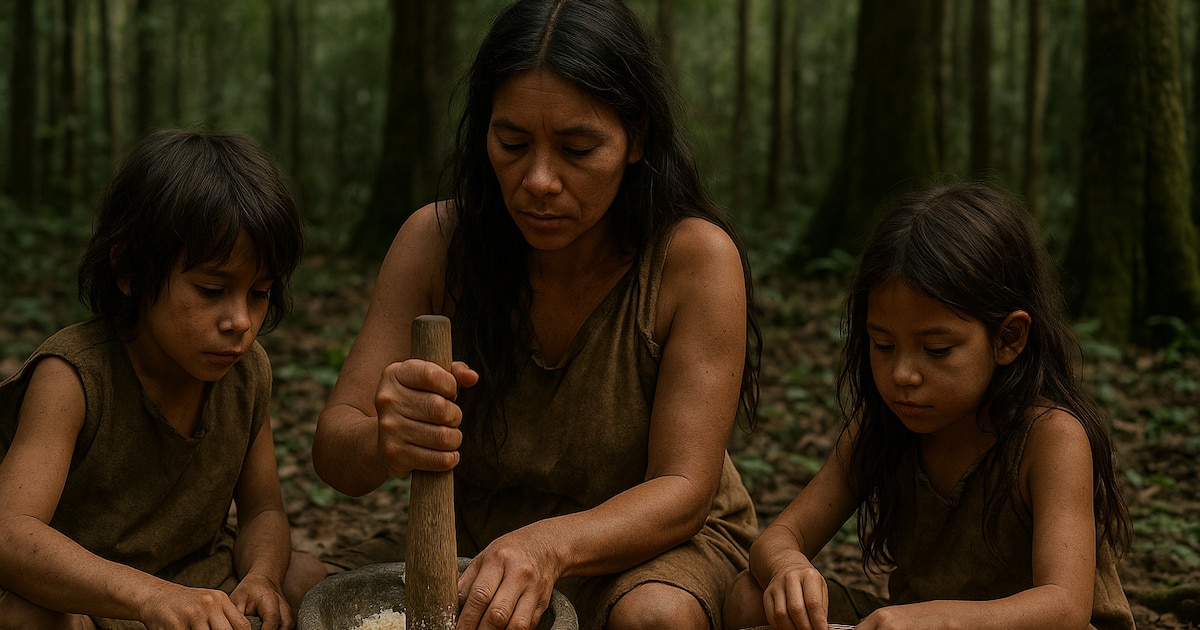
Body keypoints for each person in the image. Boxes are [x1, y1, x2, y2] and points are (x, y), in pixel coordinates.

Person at [311, 1, 763, 628]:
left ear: (637, 137)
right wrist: (385, 440)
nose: (540, 180)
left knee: (654, 618)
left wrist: (546, 546)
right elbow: (336, 451)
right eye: (513, 143)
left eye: (578, 149)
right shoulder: (436, 243)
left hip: (650, 549)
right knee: (295, 587)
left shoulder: (693, 260)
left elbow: (683, 493)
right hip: (479, 545)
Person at [722, 182, 1136, 630]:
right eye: (882, 345)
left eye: (937, 349)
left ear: (1009, 338)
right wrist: (788, 567)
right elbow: (779, 537)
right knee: (752, 596)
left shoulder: (1051, 437)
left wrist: (935, 620)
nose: (903, 374)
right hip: (913, 623)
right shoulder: (883, 426)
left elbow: (1065, 607)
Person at [0, 129, 325, 629]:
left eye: (259, 293)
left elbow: (262, 511)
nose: (239, 320)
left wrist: (261, 576)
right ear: (130, 269)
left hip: (201, 585)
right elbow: (9, 532)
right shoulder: (74, 377)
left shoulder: (246, 372)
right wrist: (151, 598)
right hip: (92, 602)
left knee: (310, 580)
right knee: (26, 618)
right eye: (211, 289)